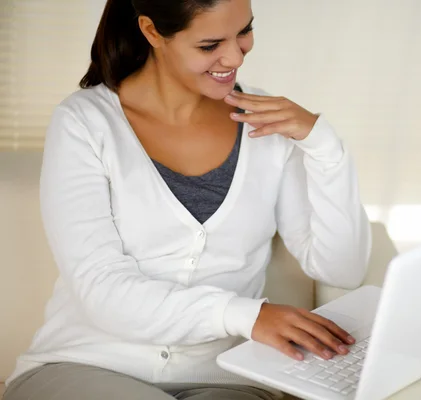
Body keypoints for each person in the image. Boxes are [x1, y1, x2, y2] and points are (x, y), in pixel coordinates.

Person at [3, 0, 371, 399]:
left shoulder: (269, 124)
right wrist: (245, 316)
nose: (234, 56)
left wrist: (324, 145)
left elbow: (342, 269)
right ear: (152, 31)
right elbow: (100, 288)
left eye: (245, 32)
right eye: (210, 44)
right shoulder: (85, 123)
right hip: (86, 365)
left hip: (226, 377)